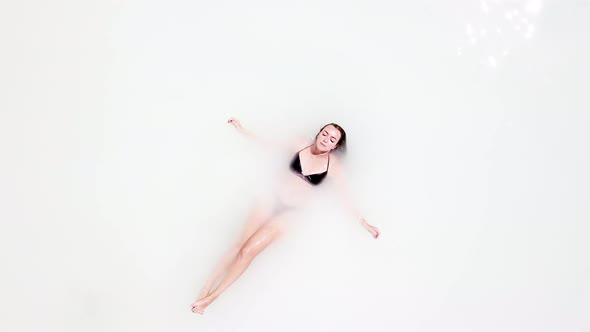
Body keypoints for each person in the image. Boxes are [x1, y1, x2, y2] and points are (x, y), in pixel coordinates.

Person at [191, 118, 380, 314]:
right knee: (238, 244)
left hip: (290, 214)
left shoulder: (334, 167)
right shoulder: (299, 144)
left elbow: (345, 199)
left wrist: (365, 223)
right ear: (319, 133)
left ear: (336, 146)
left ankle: (212, 297)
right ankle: (206, 287)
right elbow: (266, 143)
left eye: (332, 139)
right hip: (271, 199)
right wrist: (242, 129)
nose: (326, 139)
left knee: (247, 252)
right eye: (325, 133)